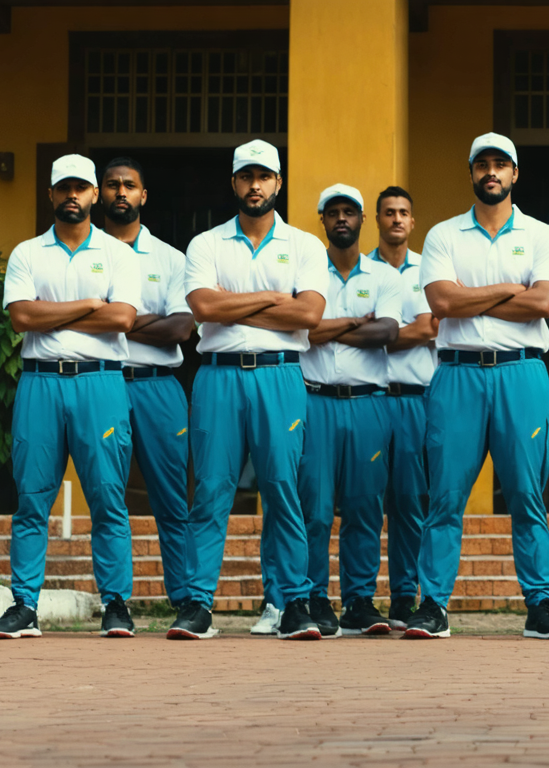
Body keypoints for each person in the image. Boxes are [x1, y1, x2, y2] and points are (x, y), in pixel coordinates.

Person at [409, 133, 549, 640]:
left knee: (527, 494)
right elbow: (441, 303)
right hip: (457, 373)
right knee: (445, 497)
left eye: (501, 164)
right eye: (483, 164)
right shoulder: (443, 235)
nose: (492, 172)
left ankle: (541, 605)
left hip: (521, 372)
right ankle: (432, 605)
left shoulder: (542, 234)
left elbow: (543, 303)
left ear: (515, 174)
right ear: (472, 172)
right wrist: (508, 289)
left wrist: (471, 297)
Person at [178, 139, 328, 641]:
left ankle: (292, 604)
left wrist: (234, 302)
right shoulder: (207, 244)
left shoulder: (305, 245)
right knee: (212, 491)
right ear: (235, 183)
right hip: (218, 374)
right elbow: (203, 307)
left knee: (284, 492)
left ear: (278, 183)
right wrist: (270, 298)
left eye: (265, 176)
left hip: (281, 375)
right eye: (247, 176)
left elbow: (308, 313)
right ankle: (198, 605)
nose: (256, 185)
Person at [0, 155, 141, 640]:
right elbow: (21, 319)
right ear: (51, 194)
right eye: (63, 188)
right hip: (40, 382)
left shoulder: (118, 254)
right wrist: (87, 305)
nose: (72, 195)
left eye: (81, 187)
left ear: (95, 194)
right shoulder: (28, 252)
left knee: (107, 497)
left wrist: (51, 313)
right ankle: (24, 606)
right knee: (32, 499)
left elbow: (121, 319)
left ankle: (115, 604)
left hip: (100, 381)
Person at [298, 184, 403, 637]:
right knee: (315, 509)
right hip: (314, 400)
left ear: (363, 220)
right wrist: (354, 323)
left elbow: (387, 333)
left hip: (368, 404)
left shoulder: (385, 278)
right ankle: (315, 597)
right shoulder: (306, 273)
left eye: (350, 212)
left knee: (364, 507)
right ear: (321, 219)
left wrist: (327, 329)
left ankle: (360, 601)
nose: (342, 219)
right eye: (333, 212)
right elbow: (302, 330)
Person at [98, 157, 196, 616]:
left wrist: (110, 320)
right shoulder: (88, 253)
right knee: (107, 494)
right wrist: (141, 323)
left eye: (130, 186)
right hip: (104, 383)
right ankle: (115, 601)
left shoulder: (171, 259)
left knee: (173, 498)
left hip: (160, 387)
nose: (121, 192)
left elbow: (180, 329)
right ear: (100, 193)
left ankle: (187, 599)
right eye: (113, 185)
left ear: (143, 196)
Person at [367, 185, 437, 630]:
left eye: (404, 213)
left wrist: (376, 332)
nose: (396, 219)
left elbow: (432, 326)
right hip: (370, 399)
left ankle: (404, 598)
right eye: (389, 212)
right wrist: (396, 329)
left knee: (411, 503)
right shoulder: (361, 270)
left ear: (413, 222)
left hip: (415, 398)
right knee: (366, 502)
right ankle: (360, 598)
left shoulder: (427, 271)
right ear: (377, 219)